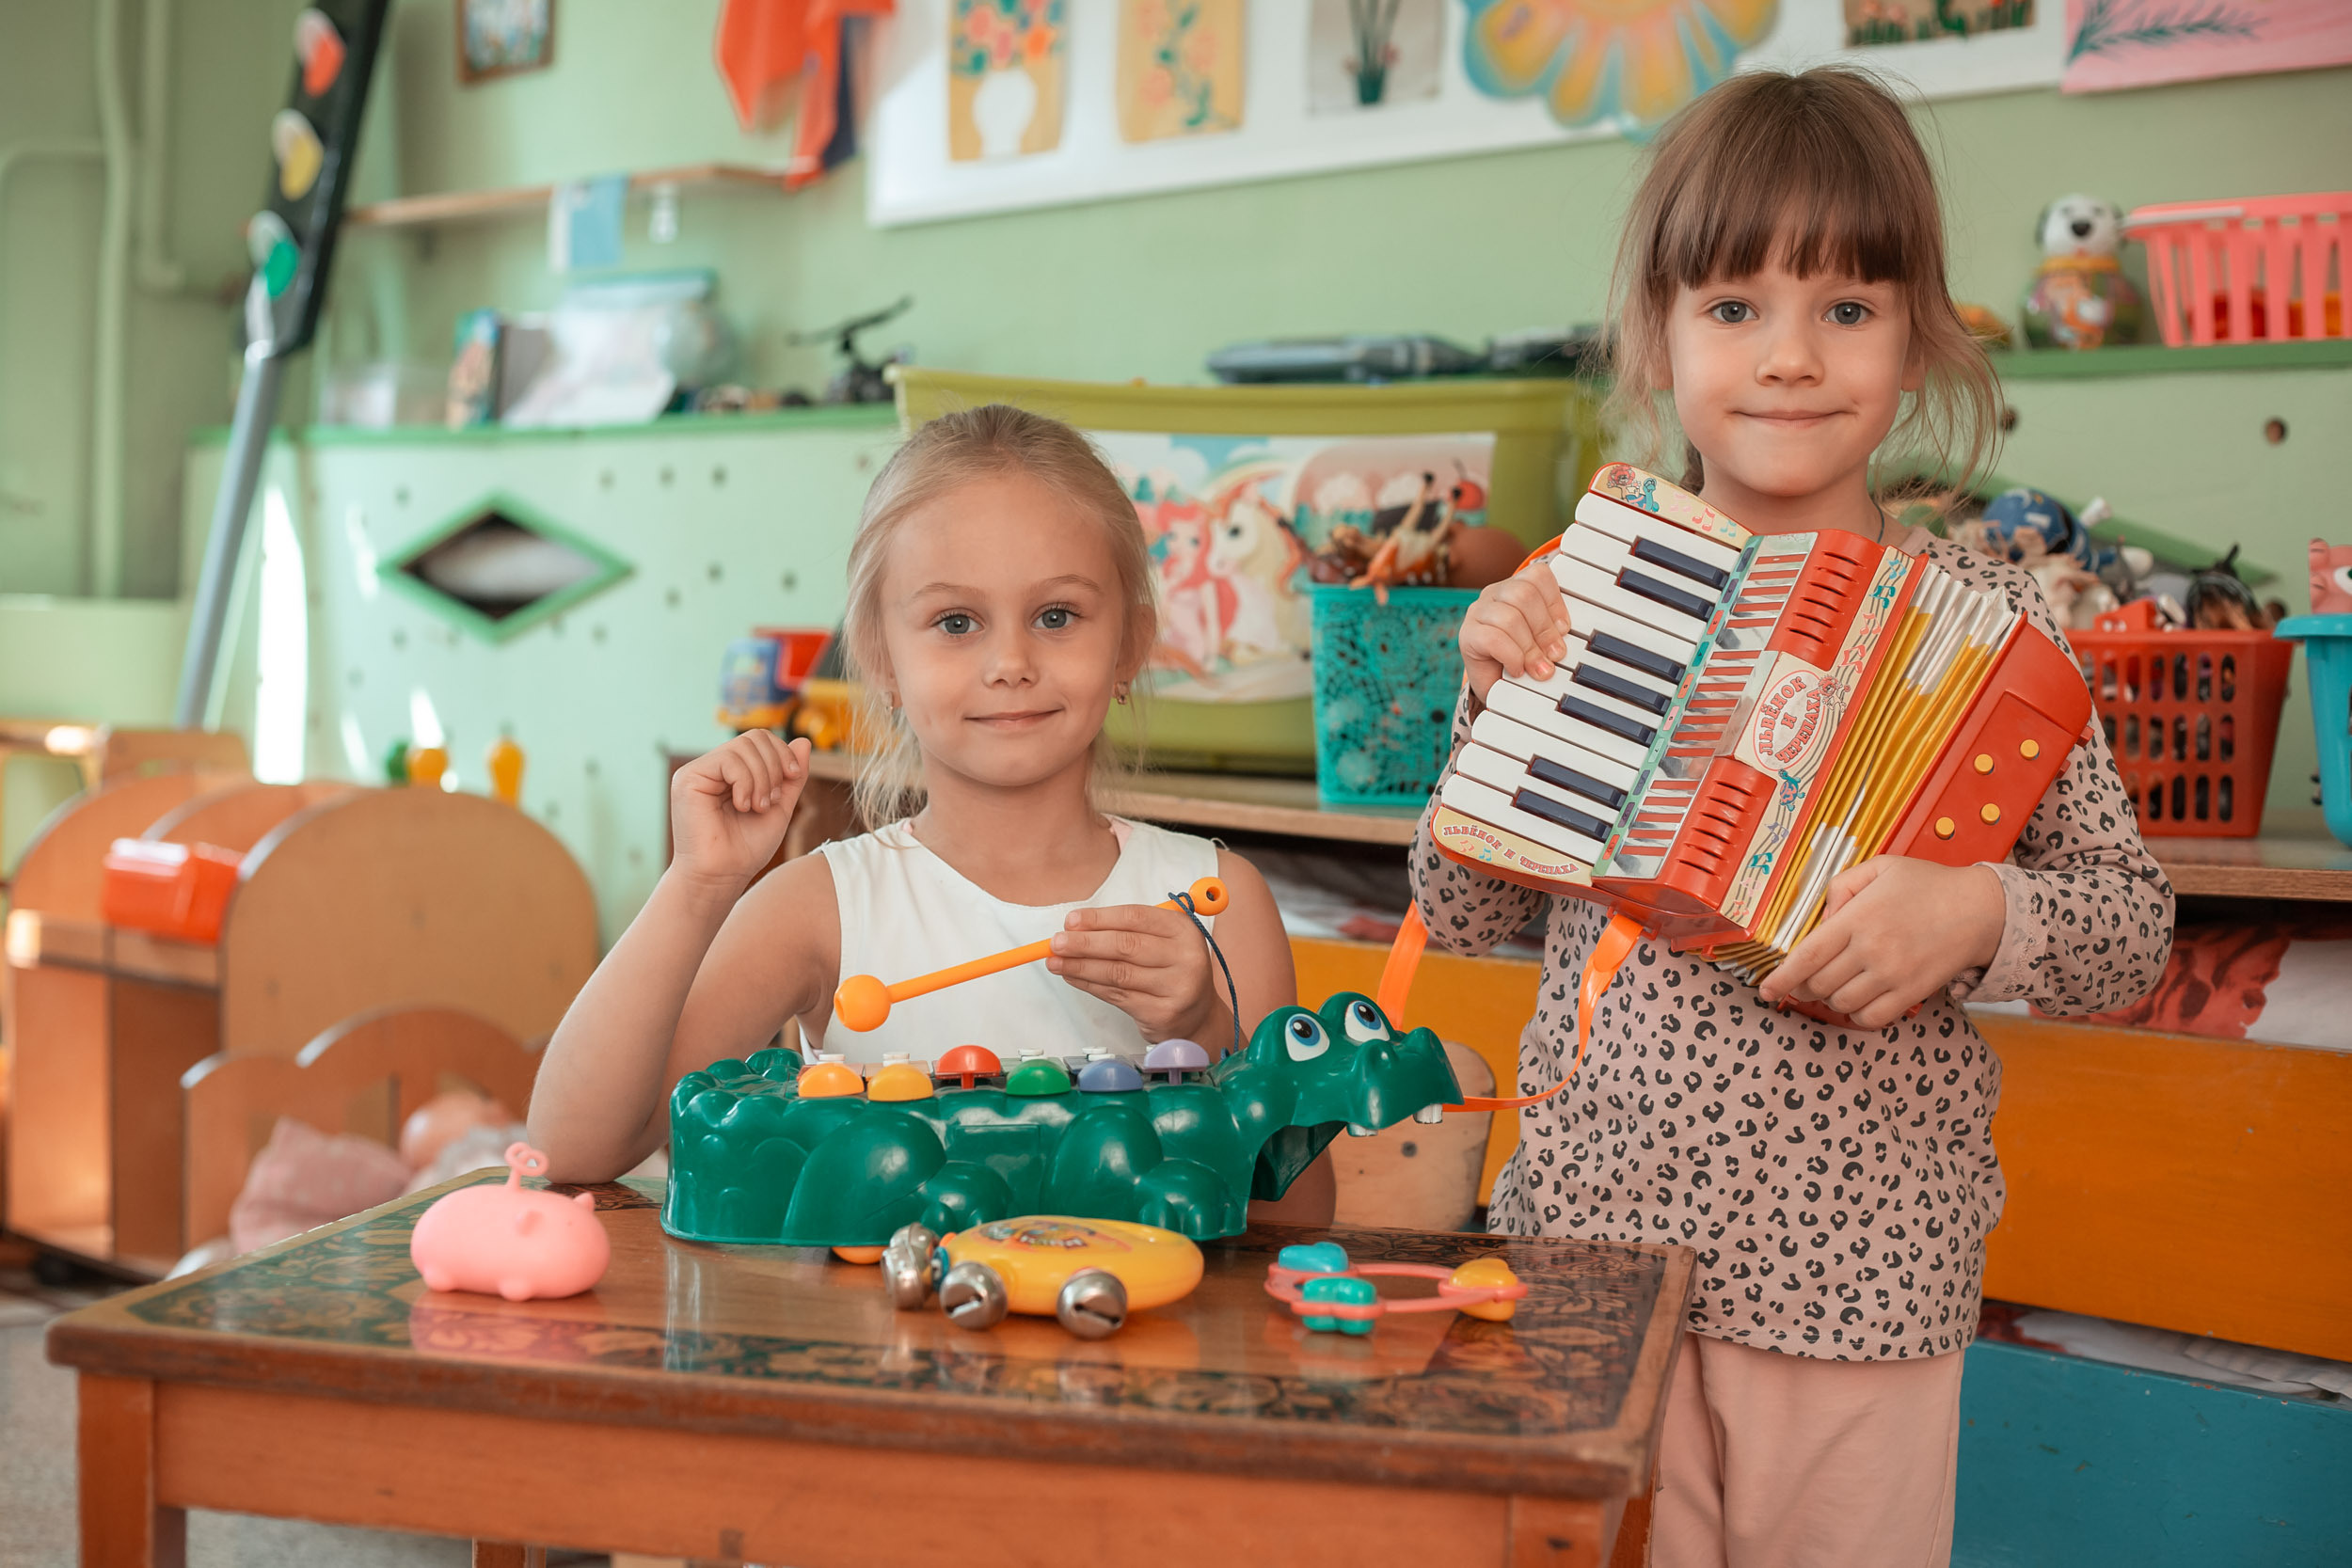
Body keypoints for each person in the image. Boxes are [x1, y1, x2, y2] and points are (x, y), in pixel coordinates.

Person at [1418, 68, 2172, 1568]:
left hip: (1863, 1276)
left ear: (1918, 338)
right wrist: (1489, 709)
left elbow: (2132, 927)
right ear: (1658, 335)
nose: (1790, 357)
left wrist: (1983, 911)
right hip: (1591, 1245)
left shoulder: (1996, 627)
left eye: (1847, 307)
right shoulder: (1583, 590)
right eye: (1734, 306)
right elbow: (1464, 915)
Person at [531, 404, 1317, 1219]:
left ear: (1129, 643)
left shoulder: (1220, 902)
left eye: (1056, 616)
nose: (1010, 662)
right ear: (881, 659)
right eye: (955, 622)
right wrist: (697, 885)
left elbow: (1297, 1218)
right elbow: (574, 1147)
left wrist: (1206, 1028)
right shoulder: (819, 909)